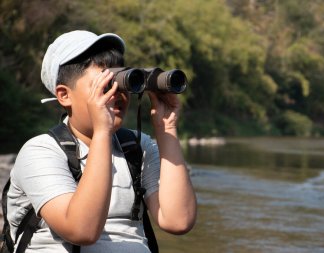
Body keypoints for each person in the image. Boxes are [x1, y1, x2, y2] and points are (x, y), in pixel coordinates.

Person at [6, 30, 197, 252]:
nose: (117, 94)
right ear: (64, 95)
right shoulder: (40, 152)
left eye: (121, 82)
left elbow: (178, 221)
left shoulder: (136, 147)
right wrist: (102, 132)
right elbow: (82, 231)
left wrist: (167, 128)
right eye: (105, 85)